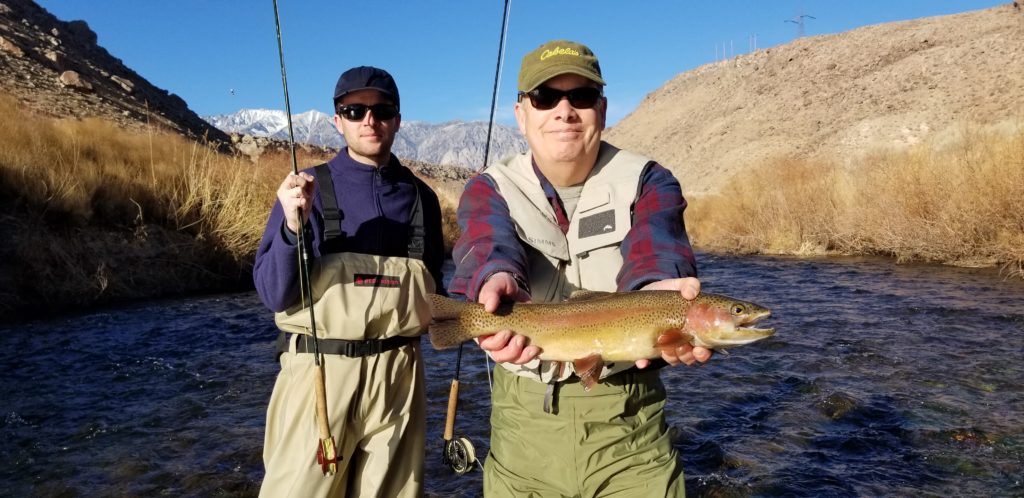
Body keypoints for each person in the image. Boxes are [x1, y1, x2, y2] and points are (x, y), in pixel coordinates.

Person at [449, 40, 711, 497]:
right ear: (521, 114)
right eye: (546, 98)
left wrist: (660, 296)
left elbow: (657, 252)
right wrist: (494, 280)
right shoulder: (489, 188)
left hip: (632, 434)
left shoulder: (649, 180)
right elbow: (487, 245)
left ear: (602, 109)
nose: (564, 110)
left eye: (581, 97)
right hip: (521, 437)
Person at [253, 66, 446, 498]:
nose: (369, 120)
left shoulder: (423, 199)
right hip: (319, 377)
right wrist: (290, 227)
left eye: (382, 110)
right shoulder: (307, 190)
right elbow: (273, 293)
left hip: (401, 377)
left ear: (397, 119)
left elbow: (436, 295)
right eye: (355, 110)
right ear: (337, 120)